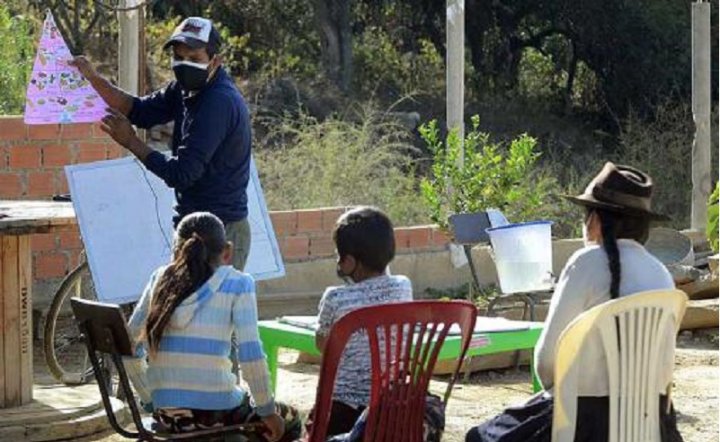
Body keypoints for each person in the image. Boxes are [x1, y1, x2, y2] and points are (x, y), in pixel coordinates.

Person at [465, 162, 684, 442]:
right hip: (653, 424)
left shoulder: (585, 262)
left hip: (583, 428)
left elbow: (546, 365)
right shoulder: (661, 273)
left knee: (479, 437)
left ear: (594, 221)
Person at [70, 17, 254, 270]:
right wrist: (93, 79)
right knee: (179, 306)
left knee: (207, 309)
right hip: (191, 225)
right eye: (178, 57)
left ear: (215, 61)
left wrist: (131, 142)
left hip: (221, 232)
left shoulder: (218, 103)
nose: (184, 64)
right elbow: (140, 110)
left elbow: (182, 173)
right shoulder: (183, 89)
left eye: (194, 58)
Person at [123, 212, 301, 442]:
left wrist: (150, 398)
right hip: (218, 413)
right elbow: (250, 355)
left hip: (167, 416)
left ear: (176, 252)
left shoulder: (160, 279)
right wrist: (267, 410)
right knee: (291, 419)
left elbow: (128, 345)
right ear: (227, 252)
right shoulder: (238, 284)